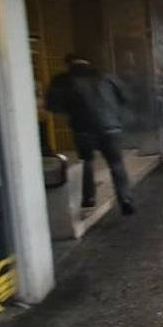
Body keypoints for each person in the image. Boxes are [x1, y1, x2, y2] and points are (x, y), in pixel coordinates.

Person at [46, 54, 135, 215]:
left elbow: (53, 106)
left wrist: (72, 111)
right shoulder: (106, 76)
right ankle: (125, 198)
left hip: (82, 129)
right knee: (116, 164)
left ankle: (88, 199)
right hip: (110, 127)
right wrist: (114, 113)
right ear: (88, 62)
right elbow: (126, 97)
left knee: (86, 161)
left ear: (68, 64)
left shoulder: (62, 80)